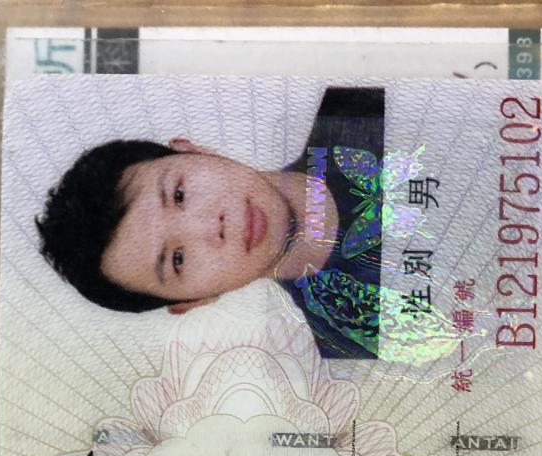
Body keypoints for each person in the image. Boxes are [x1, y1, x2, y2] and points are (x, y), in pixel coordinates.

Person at [35, 87, 391, 359]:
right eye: (178, 259)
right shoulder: (352, 338)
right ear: (193, 302)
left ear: (192, 150)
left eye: (179, 195)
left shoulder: (361, 107)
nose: (212, 227)